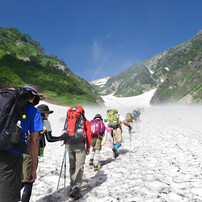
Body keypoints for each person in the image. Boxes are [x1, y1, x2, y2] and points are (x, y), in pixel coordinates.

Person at [0, 84, 43, 202]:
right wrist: (33, 169)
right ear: (33, 97)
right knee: (7, 197)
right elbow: (34, 141)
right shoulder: (33, 112)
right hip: (11, 157)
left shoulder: (4, 103)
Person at [21, 104, 63, 202]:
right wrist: (62, 138)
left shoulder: (28, 119)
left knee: (21, 178)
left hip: (19, 151)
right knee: (29, 181)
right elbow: (50, 138)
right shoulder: (45, 122)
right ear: (44, 114)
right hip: (30, 153)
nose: (48, 115)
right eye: (48, 113)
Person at [62, 106, 91, 200]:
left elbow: (64, 130)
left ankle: (72, 185)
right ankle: (76, 188)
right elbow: (89, 134)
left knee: (72, 166)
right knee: (79, 166)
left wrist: (64, 142)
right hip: (80, 145)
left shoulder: (68, 119)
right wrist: (88, 147)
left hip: (69, 144)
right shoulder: (85, 122)